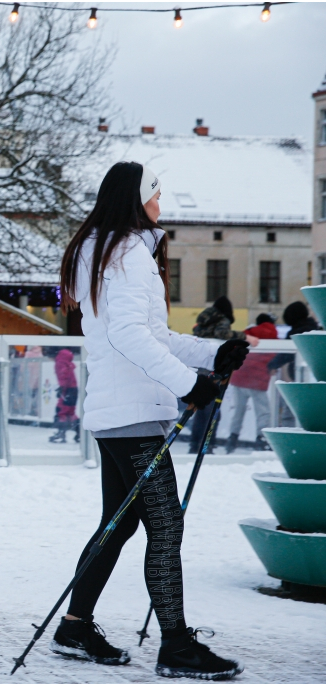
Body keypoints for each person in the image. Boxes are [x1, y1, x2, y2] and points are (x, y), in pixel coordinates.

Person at [54, 161, 248, 679]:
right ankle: (176, 646)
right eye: (157, 196)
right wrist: (191, 385)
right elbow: (130, 337)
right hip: (135, 413)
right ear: (138, 201)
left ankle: (75, 626)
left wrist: (214, 353)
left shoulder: (107, 251)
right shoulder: (126, 254)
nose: (162, 206)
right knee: (165, 527)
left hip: (120, 409)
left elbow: (151, 336)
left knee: (118, 525)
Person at [189, 296, 257, 454]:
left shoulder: (203, 322)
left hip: (201, 369)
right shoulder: (222, 319)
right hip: (214, 369)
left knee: (200, 410)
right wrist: (245, 337)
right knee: (212, 412)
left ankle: (195, 445)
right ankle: (207, 445)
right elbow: (223, 333)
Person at [225, 313, 278, 453]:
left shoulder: (248, 332)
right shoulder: (273, 332)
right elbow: (276, 353)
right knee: (263, 411)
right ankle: (261, 440)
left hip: (240, 376)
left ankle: (232, 439)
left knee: (238, 410)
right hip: (257, 379)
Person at [50, 348, 80, 443]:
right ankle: (80, 432)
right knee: (70, 413)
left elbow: (63, 375)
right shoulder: (65, 360)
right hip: (73, 389)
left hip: (67, 390)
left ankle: (61, 434)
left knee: (61, 411)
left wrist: (62, 387)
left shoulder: (60, 362)